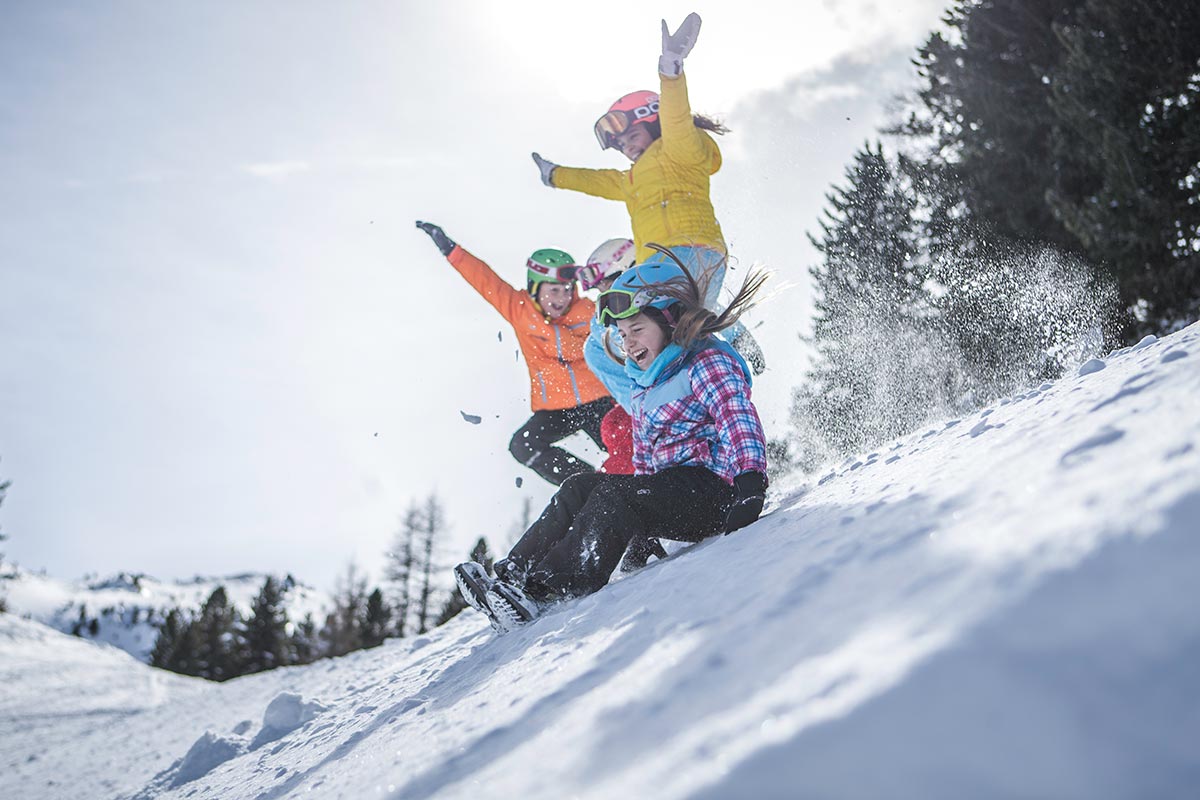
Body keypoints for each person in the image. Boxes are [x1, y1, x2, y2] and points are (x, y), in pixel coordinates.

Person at [455, 251, 770, 632]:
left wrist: (750, 484)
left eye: (636, 329)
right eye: (622, 335)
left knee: (612, 496)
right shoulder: (645, 382)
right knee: (579, 486)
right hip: (672, 490)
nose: (628, 343)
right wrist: (643, 527)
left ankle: (545, 590)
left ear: (670, 319)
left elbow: (736, 416)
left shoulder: (705, 362)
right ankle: (513, 575)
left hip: (715, 493)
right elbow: (647, 458)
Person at [530, 12, 766, 375]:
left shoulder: (679, 151)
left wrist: (670, 71)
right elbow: (598, 181)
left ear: (650, 120)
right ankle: (704, 382)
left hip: (683, 252)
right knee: (663, 336)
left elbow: (676, 119)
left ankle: (669, 379)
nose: (626, 147)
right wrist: (556, 176)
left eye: (631, 136)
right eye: (620, 144)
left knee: (611, 322)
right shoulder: (633, 180)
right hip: (676, 259)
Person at [415, 221, 613, 486]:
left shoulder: (588, 311)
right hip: (557, 408)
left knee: (623, 446)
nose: (562, 298)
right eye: (554, 290)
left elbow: (593, 346)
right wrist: (452, 251)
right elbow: (486, 281)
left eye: (568, 290)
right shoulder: (520, 311)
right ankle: (590, 485)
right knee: (523, 445)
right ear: (535, 289)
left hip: (597, 401)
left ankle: (638, 484)